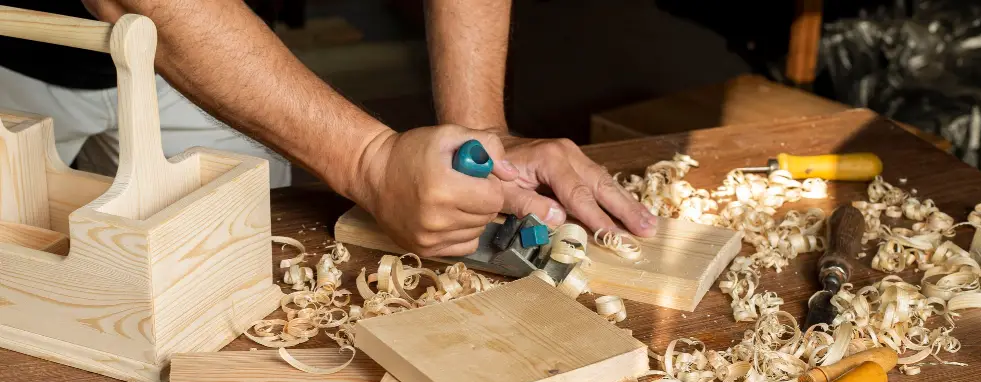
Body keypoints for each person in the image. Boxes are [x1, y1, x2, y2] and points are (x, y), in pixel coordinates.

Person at [0, 1, 657, 257]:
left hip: (214, 40)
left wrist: (477, 132)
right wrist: (370, 160)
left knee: (237, 267)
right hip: (20, 38)